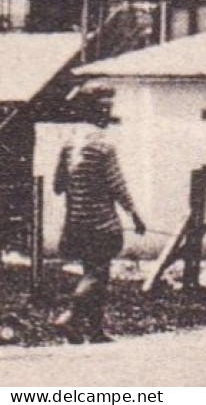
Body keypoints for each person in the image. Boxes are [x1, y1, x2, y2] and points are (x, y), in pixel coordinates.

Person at [52, 98, 145, 344]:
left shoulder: (70, 145)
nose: (108, 114)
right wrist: (135, 215)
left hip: (75, 224)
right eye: (105, 110)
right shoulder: (104, 147)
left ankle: (94, 331)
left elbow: (57, 186)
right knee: (98, 274)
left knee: (91, 273)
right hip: (102, 223)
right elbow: (117, 186)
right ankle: (69, 316)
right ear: (99, 115)